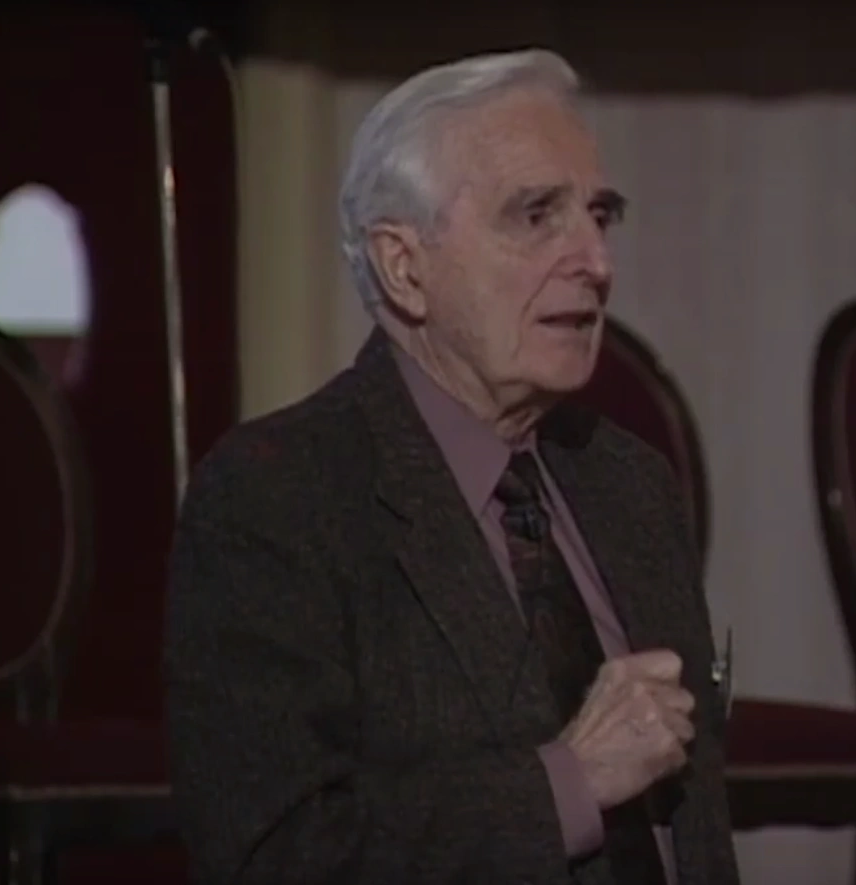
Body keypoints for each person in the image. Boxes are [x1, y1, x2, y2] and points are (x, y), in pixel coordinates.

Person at [164, 48, 739, 885]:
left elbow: (696, 833)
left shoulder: (629, 483)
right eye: (536, 214)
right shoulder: (276, 497)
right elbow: (275, 855)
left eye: (598, 215)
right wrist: (566, 785)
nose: (596, 263)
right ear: (404, 265)